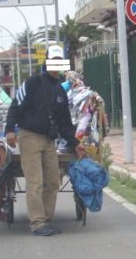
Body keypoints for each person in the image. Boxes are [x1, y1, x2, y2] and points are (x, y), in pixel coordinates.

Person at [5, 45, 85, 236]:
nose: (56, 64)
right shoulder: (33, 83)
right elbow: (16, 106)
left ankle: (46, 219)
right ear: (47, 61)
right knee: (35, 181)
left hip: (50, 141)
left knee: (53, 182)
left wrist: (76, 144)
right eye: (53, 60)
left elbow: (65, 123)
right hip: (30, 137)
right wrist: (9, 130)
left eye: (59, 61)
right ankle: (38, 223)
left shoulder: (60, 90)